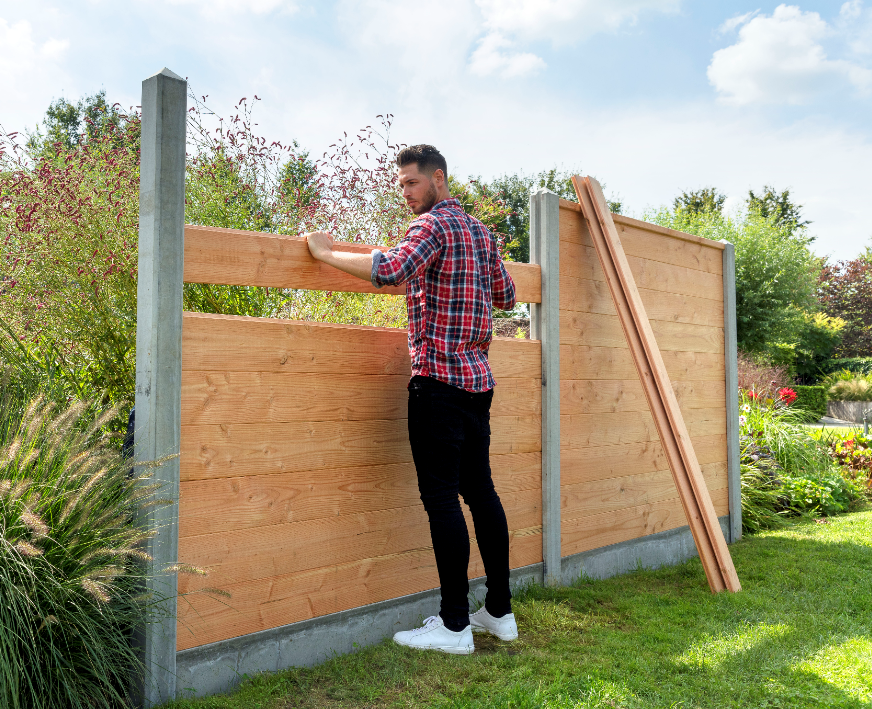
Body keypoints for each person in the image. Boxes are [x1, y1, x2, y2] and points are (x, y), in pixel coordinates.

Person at [305, 144, 518, 655]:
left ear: (438, 179)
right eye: (400, 184)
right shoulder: (481, 234)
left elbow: (392, 270)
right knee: (481, 493)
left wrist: (325, 253)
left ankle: (453, 626)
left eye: (410, 183)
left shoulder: (431, 228)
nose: (404, 194)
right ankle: (499, 613)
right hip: (477, 382)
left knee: (443, 499)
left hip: (437, 386)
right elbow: (508, 296)